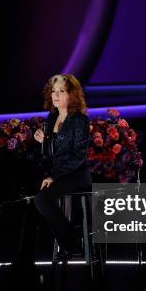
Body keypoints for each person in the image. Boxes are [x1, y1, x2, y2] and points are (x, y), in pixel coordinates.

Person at [16, 74, 91, 264]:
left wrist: (54, 176)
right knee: (28, 203)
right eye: (53, 91)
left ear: (72, 94)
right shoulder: (52, 118)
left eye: (61, 91)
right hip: (55, 174)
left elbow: (78, 156)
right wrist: (41, 140)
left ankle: (73, 242)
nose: (55, 95)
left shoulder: (80, 120)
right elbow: (49, 155)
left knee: (43, 199)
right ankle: (24, 260)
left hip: (75, 175)